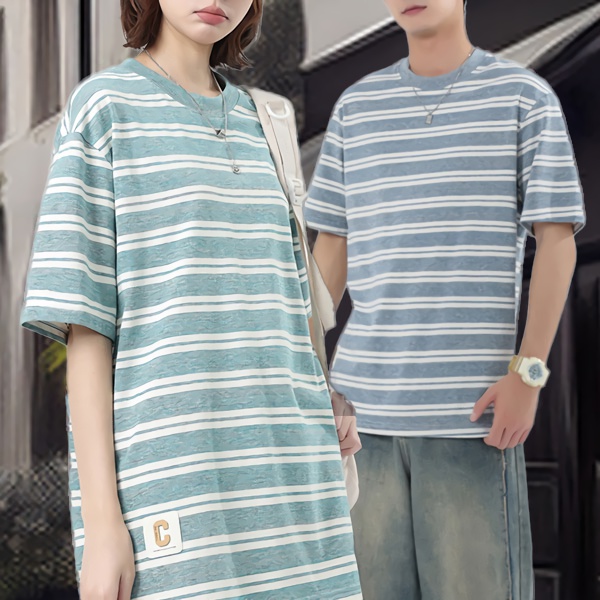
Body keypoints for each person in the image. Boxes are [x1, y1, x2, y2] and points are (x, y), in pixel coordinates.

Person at [20, 1, 362, 598]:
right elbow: (86, 331)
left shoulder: (270, 121)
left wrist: (325, 394)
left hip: (297, 482)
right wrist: (102, 525)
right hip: (175, 493)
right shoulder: (103, 110)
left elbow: (292, 304)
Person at [304, 0, 586, 598]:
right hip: (359, 427)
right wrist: (303, 374)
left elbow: (557, 244)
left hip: (473, 424)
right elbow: (331, 254)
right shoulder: (355, 108)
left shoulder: (523, 97)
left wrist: (529, 375)